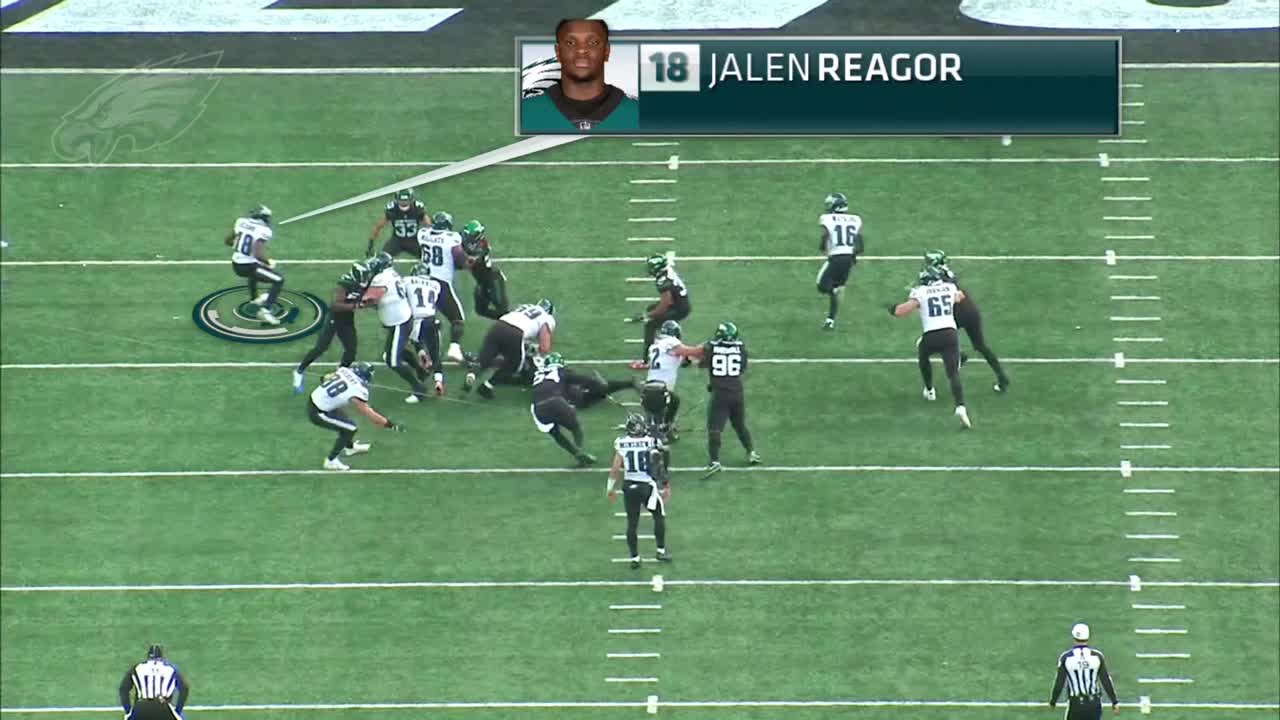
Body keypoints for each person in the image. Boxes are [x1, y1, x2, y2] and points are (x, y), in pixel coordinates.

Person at [670, 322, 760, 477]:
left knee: (714, 429)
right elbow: (741, 368)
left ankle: (714, 461)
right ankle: (751, 452)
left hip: (720, 394)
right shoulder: (741, 349)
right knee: (739, 425)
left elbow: (697, 362)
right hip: (737, 392)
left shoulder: (710, 348)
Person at [520, 18, 640, 133]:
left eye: (593, 42)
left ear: (606, 51)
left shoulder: (642, 114)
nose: (581, 50)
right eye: (570, 42)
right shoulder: (523, 112)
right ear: (558, 52)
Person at [888, 267, 972, 429]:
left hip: (932, 335)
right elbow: (960, 297)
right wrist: (952, 281)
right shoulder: (949, 287)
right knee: (953, 372)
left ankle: (929, 389)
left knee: (923, 352)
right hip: (950, 334)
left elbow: (901, 311)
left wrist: (890, 308)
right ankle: (961, 407)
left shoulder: (921, 292)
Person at [924, 250, 1010, 393]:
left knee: (936, 338)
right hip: (971, 311)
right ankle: (1002, 377)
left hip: (957, 314)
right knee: (981, 346)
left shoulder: (937, 277)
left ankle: (959, 357)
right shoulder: (948, 273)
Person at [307, 362, 404, 470]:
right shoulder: (358, 390)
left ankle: (350, 448)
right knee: (350, 429)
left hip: (317, 400)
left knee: (346, 423)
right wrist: (389, 424)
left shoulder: (344, 370)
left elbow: (324, 378)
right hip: (318, 412)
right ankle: (330, 461)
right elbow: (368, 413)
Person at [607, 413, 673, 569]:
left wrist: (610, 488)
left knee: (632, 523)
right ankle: (661, 551)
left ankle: (635, 558)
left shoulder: (621, 443)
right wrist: (665, 485)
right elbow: (659, 462)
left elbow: (615, 468)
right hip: (646, 486)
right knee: (658, 515)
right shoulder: (651, 442)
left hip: (629, 486)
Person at [292, 261, 369, 393]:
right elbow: (335, 305)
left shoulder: (362, 283)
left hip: (347, 321)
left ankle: (339, 376)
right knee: (321, 347)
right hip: (335, 319)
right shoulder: (344, 284)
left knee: (351, 351)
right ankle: (299, 371)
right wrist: (355, 306)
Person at [361, 253, 429, 402]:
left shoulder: (381, 278)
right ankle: (420, 371)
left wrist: (356, 299)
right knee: (391, 354)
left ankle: (419, 388)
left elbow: (370, 299)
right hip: (400, 318)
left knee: (392, 360)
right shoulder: (391, 273)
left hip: (400, 322)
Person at [468, 299, 556, 399]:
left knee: (486, 356)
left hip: (498, 325)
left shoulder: (526, 306)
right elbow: (544, 348)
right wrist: (535, 349)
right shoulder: (546, 317)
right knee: (514, 365)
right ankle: (487, 386)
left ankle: (472, 374)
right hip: (514, 332)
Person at [416, 211, 468, 363]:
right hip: (440, 282)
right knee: (457, 319)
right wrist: (468, 262)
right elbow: (459, 257)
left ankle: (420, 348)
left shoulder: (422, 233)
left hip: (421, 280)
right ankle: (454, 348)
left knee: (420, 317)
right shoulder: (452, 238)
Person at [529, 352, 597, 466]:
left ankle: (576, 454)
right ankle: (580, 452)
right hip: (555, 401)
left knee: (555, 433)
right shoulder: (560, 371)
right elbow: (582, 379)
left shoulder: (538, 373)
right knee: (575, 427)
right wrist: (595, 381)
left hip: (537, 408)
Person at [224, 204, 283, 326]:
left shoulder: (241, 222)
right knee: (278, 280)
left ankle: (254, 299)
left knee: (255, 272)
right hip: (248, 266)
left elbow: (228, 241)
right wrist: (268, 262)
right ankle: (265, 311)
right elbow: (257, 254)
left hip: (236, 263)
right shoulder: (264, 231)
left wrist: (239, 248)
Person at [630, 253, 691, 369]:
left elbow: (664, 306)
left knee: (650, 325)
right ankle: (683, 356)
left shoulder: (663, 280)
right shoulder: (666, 272)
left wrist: (646, 316)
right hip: (679, 304)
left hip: (679, 308)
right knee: (653, 310)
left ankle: (647, 361)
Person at [1049, 623, 1121, 719]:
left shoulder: (1066, 658)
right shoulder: (1097, 656)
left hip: (1076, 704)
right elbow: (1105, 680)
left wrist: (1053, 701)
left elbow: (1059, 682)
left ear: (1074, 637)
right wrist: (1114, 701)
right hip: (1094, 703)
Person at [816, 191, 864, 330]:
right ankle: (830, 320)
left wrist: (823, 248)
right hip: (848, 258)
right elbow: (860, 244)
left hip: (836, 257)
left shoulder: (827, 219)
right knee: (835, 287)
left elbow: (825, 235)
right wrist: (853, 256)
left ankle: (833, 293)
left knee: (822, 285)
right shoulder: (855, 219)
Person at [401, 262, 446, 395]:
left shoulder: (407, 281)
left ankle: (420, 353)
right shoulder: (435, 285)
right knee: (435, 352)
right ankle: (438, 381)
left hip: (416, 320)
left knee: (409, 340)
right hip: (432, 320)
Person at [641, 319, 686, 441]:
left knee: (673, 401)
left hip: (647, 388)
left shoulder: (655, 345)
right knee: (668, 405)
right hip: (660, 390)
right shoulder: (671, 343)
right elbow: (687, 356)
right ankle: (664, 429)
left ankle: (658, 428)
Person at [118, 644, 189, 720]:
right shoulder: (171, 669)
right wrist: (178, 710)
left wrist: (128, 711)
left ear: (148, 657)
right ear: (161, 657)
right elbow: (184, 688)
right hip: (162, 706)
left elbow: (123, 689)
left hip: (141, 707)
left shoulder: (137, 667)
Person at [461, 220, 510, 320]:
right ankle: (504, 321)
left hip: (493, 280)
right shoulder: (472, 243)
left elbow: (471, 261)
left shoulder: (482, 245)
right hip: (482, 282)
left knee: (502, 309)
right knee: (481, 310)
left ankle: (511, 322)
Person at [367, 188, 428, 257]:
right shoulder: (392, 209)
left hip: (414, 240)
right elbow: (379, 226)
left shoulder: (417, 208)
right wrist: (371, 244)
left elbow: (428, 225)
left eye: (406, 200)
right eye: (402, 200)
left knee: (428, 257)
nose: (404, 203)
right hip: (397, 240)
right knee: (382, 258)